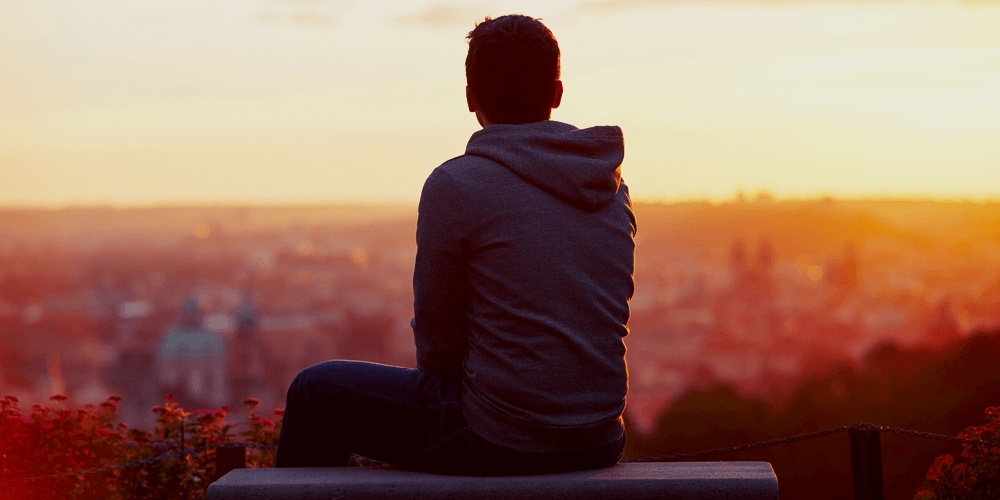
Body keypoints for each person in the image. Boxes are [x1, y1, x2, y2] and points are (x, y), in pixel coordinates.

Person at [275, 14, 635, 476]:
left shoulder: (457, 185)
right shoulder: (608, 184)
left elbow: (438, 346)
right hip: (601, 438)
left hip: (502, 438)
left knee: (314, 391)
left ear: (470, 98)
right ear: (557, 93)